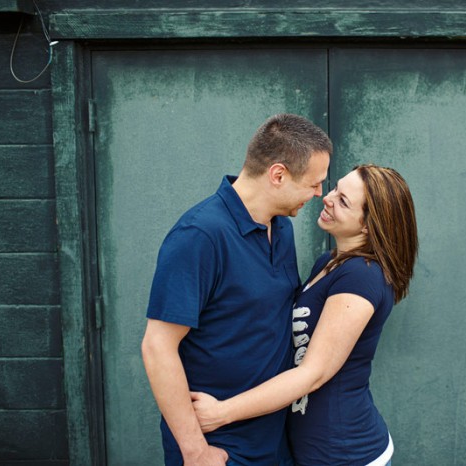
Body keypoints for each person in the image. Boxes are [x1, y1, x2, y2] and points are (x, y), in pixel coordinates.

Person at [191, 164, 419, 466]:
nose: (328, 198)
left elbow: (313, 374)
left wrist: (222, 412)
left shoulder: (361, 277)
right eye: (336, 188)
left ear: (367, 225)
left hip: (347, 455)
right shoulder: (330, 262)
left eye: (343, 201)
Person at [141, 113, 332, 466]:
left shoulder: (281, 228)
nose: (320, 193)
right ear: (278, 175)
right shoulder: (199, 235)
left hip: (275, 441)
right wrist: (196, 452)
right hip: (219, 447)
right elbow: (157, 346)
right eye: (314, 183)